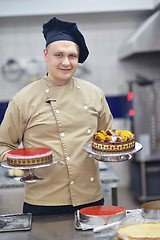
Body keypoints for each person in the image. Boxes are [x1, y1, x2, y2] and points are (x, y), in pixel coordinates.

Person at [0, 17, 114, 216]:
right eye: (58, 55)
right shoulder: (22, 99)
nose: (66, 62)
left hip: (92, 199)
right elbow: (4, 145)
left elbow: (108, 137)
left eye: (72, 56)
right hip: (43, 203)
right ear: (46, 55)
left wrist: (112, 152)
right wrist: (23, 164)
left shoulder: (94, 93)